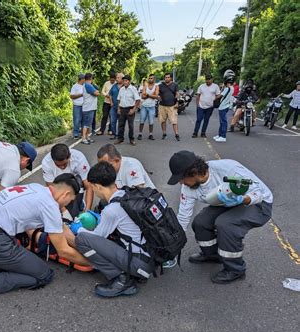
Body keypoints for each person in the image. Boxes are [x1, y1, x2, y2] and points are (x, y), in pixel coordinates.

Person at [0, 174, 90, 301]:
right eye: (70, 200)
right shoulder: (49, 205)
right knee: (44, 275)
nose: (67, 204)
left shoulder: (36, 188)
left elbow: (62, 228)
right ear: (65, 194)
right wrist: (91, 262)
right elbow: (63, 251)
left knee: (11, 249)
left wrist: (82, 246)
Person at [168, 150, 273, 284]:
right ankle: (212, 255)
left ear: (194, 172)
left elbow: (258, 194)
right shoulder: (188, 188)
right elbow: (183, 215)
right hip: (227, 204)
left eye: (182, 179)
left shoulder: (229, 169)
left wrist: (242, 199)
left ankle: (236, 269)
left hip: (259, 204)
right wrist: (175, 242)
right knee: (201, 222)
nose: (181, 183)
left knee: (226, 224)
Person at [73, 162, 154, 297]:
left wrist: (79, 229)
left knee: (82, 240)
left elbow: (97, 237)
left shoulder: (111, 210)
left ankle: (121, 280)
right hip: (148, 258)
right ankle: (132, 273)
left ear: (97, 186)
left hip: (139, 264)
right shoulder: (126, 194)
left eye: (93, 188)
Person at [42, 143, 94, 218]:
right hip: (59, 183)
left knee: (79, 181)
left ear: (69, 157)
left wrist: (88, 211)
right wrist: (64, 210)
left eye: (64, 164)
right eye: (59, 165)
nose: (62, 167)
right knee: (68, 214)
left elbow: (89, 186)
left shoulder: (79, 158)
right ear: (53, 160)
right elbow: (51, 188)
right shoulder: (46, 163)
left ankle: (79, 202)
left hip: (75, 181)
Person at [116, 75, 141, 145]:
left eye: (126, 81)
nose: (124, 82)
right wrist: (118, 108)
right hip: (122, 109)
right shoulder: (121, 89)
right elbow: (118, 99)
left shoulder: (133, 89)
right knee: (120, 125)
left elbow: (138, 100)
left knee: (130, 125)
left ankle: (131, 139)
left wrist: (133, 109)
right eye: (124, 81)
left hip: (130, 109)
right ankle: (120, 139)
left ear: (129, 81)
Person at [214, 70, 234, 143]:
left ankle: (223, 136)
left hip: (223, 106)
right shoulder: (231, 88)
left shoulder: (227, 89)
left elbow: (220, 96)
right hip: (225, 106)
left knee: (223, 122)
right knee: (222, 121)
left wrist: (214, 98)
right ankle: (220, 135)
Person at [158, 73, 180, 141]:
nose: (167, 78)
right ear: (164, 78)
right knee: (163, 121)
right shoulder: (160, 85)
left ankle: (176, 134)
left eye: (168, 77)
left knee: (174, 121)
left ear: (170, 78)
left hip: (172, 106)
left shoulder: (175, 85)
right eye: (165, 77)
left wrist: (177, 101)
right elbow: (157, 93)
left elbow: (177, 93)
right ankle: (164, 134)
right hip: (162, 106)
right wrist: (158, 97)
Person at [138, 74, 159, 140]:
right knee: (141, 121)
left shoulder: (156, 86)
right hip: (144, 106)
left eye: (151, 78)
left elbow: (156, 96)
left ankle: (150, 134)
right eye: (149, 78)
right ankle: (140, 134)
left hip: (152, 107)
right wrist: (152, 95)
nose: (150, 79)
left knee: (151, 122)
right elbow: (142, 96)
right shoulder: (145, 86)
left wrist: (148, 95)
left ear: (154, 79)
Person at [82, 73, 99, 145]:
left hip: (89, 107)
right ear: (91, 78)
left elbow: (96, 90)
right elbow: (97, 93)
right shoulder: (88, 85)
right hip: (88, 107)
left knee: (88, 123)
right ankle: (83, 138)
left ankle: (87, 137)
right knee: (86, 124)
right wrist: (96, 91)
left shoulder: (87, 85)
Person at [108, 73, 124, 140]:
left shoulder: (124, 86)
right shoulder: (114, 86)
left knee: (121, 122)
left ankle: (120, 135)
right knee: (112, 121)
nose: (116, 79)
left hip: (122, 107)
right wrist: (111, 102)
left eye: (118, 78)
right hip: (114, 106)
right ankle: (115, 134)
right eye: (116, 77)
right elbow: (110, 94)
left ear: (122, 78)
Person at [70, 74, 85, 139]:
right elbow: (72, 96)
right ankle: (75, 134)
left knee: (83, 120)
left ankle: (82, 133)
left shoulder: (85, 86)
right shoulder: (75, 86)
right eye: (84, 79)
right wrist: (81, 95)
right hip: (77, 105)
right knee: (76, 120)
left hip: (84, 105)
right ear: (81, 79)